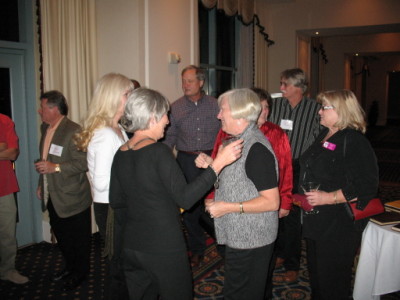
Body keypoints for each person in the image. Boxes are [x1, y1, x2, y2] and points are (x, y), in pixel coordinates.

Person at [109, 88, 242, 300]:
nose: (168, 121)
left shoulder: (121, 152)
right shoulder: (158, 151)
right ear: (152, 117)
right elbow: (186, 199)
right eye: (164, 115)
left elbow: (116, 201)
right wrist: (217, 165)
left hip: (132, 245)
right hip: (163, 245)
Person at [196, 88, 280, 300]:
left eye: (222, 110)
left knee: (241, 293)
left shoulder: (256, 149)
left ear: (240, 114)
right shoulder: (237, 140)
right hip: (240, 234)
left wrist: (227, 207)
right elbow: (238, 181)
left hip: (253, 237)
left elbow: (272, 202)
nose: (218, 115)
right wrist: (212, 166)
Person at [299, 90, 379, 299]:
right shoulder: (324, 134)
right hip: (318, 220)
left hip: (339, 223)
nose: (319, 112)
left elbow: (366, 185)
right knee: (317, 277)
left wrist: (329, 197)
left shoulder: (354, 140)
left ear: (342, 110)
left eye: (325, 107)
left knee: (333, 281)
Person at [74, 73, 133, 299]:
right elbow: (101, 183)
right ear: (114, 98)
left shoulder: (117, 128)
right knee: (118, 267)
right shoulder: (107, 134)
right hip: (111, 208)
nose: (131, 98)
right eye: (127, 94)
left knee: (123, 264)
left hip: (115, 205)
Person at [163, 65, 220, 267]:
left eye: (190, 81)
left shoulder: (215, 105)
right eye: (183, 81)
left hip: (211, 160)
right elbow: (169, 138)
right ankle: (197, 248)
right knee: (188, 209)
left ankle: (224, 244)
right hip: (186, 161)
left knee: (215, 204)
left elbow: (224, 134)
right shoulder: (175, 107)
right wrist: (161, 159)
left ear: (201, 82)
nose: (185, 85)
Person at [268, 68, 322, 283]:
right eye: (281, 83)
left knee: (291, 215)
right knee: (275, 210)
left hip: (299, 166)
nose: (281, 88)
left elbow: (320, 138)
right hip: (276, 164)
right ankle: (281, 252)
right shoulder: (276, 106)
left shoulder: (314, 109)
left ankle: (292, 263)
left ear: (299, 87)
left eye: (285, 85)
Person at [34, 90, 92, 291]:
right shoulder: (46, 128)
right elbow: (45, 159)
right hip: (53, 195)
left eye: (42, 107)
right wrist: (42, 183)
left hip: (72, 196)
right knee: (63, 237)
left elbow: (83, 163)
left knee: (79, 241)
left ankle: (81, 273)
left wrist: (55, 168)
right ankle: (70, 267)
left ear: (55, 108)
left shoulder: (73, 130)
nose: (39, 111)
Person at [0, 114, 29, 285]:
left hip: (4, 188)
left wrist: (6, 149)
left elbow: (12, 152)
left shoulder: (4, 121)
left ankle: (7, 270)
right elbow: (5, 149)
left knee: (7, 234)